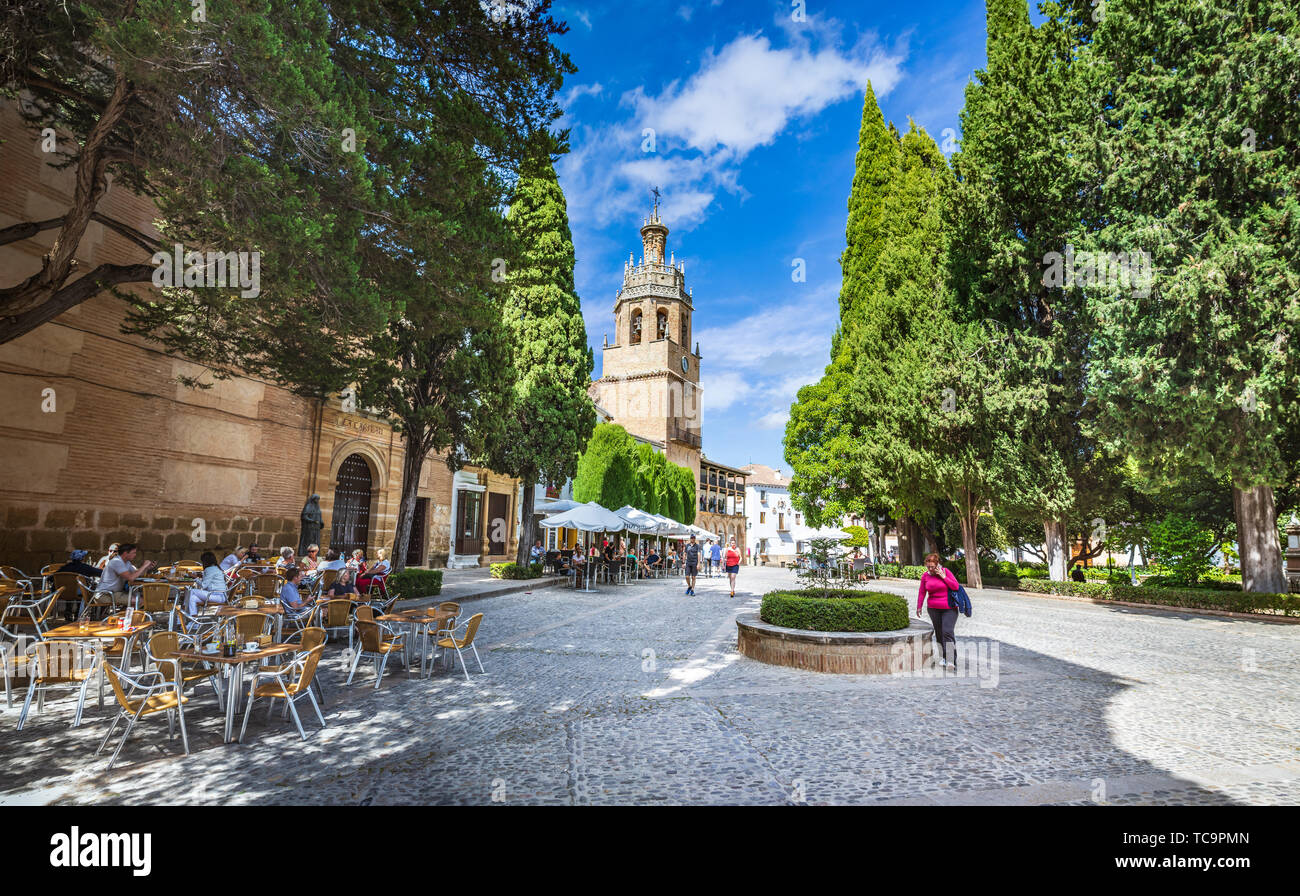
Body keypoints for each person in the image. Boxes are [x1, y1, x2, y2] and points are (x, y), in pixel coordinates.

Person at [916, 552, 960, 669]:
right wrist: (919, 606)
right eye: (928, 566)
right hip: (933, 609)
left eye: (932, 567)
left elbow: (955, 586)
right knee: (939, 633)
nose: (930, 569)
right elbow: (922, 592)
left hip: (949, 608)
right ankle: (944, 657)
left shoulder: (945, 572)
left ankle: (951, 660)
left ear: (937, 564)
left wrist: (943, 577)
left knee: (947, 632)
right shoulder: (925, 576)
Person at [186, 551, 228, 616]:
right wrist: (201, 576)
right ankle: (193, 621)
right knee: (192, 598)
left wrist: (195, 578)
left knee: (191, 591)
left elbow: (203, 586)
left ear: (205, 562)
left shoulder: (209, 569)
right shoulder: (216, 568)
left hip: (216, 596)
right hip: (221, 596)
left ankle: (183, 614)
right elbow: (210, 579)